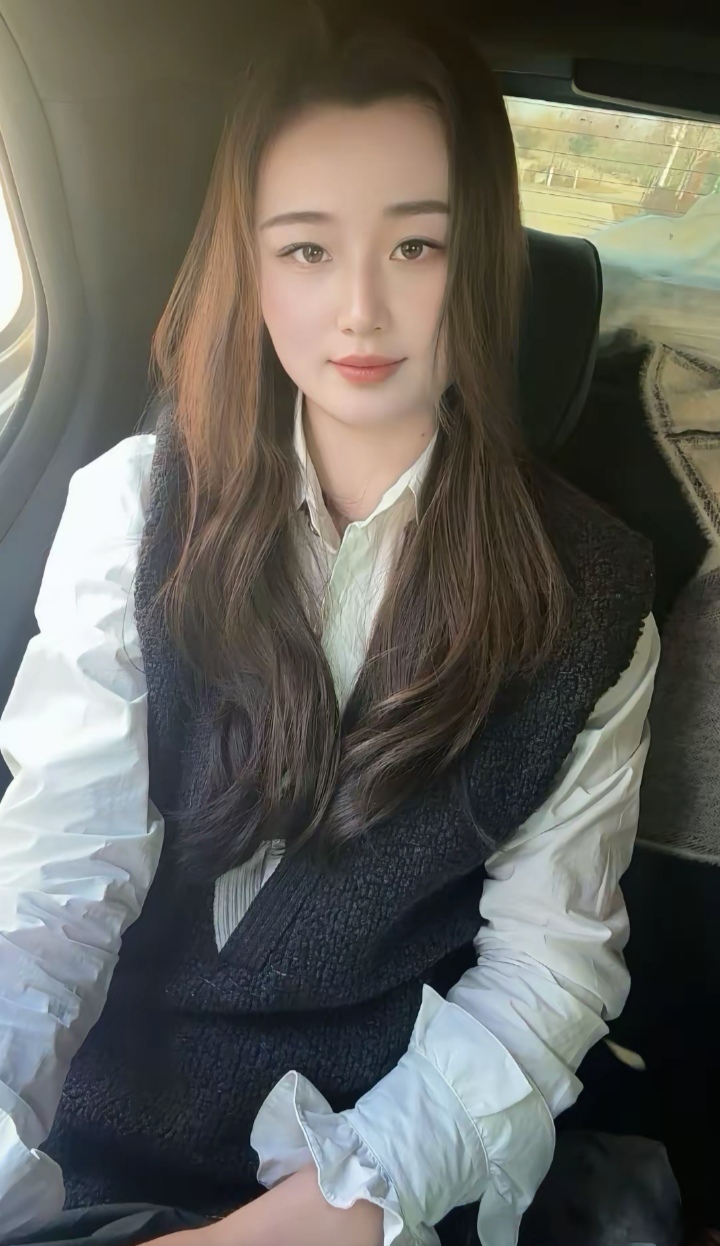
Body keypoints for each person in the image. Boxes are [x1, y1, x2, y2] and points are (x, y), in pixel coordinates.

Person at [0, 7, 663, 1246]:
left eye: (416, 246)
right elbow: (53, 890)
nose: (360, 310)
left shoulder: (590, 600)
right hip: (97, 1136)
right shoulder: (133, 511)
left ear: (482, 261)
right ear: (250, 266)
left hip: (384, 1162)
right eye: (306, 249)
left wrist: (312, 1220)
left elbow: (545, 973)